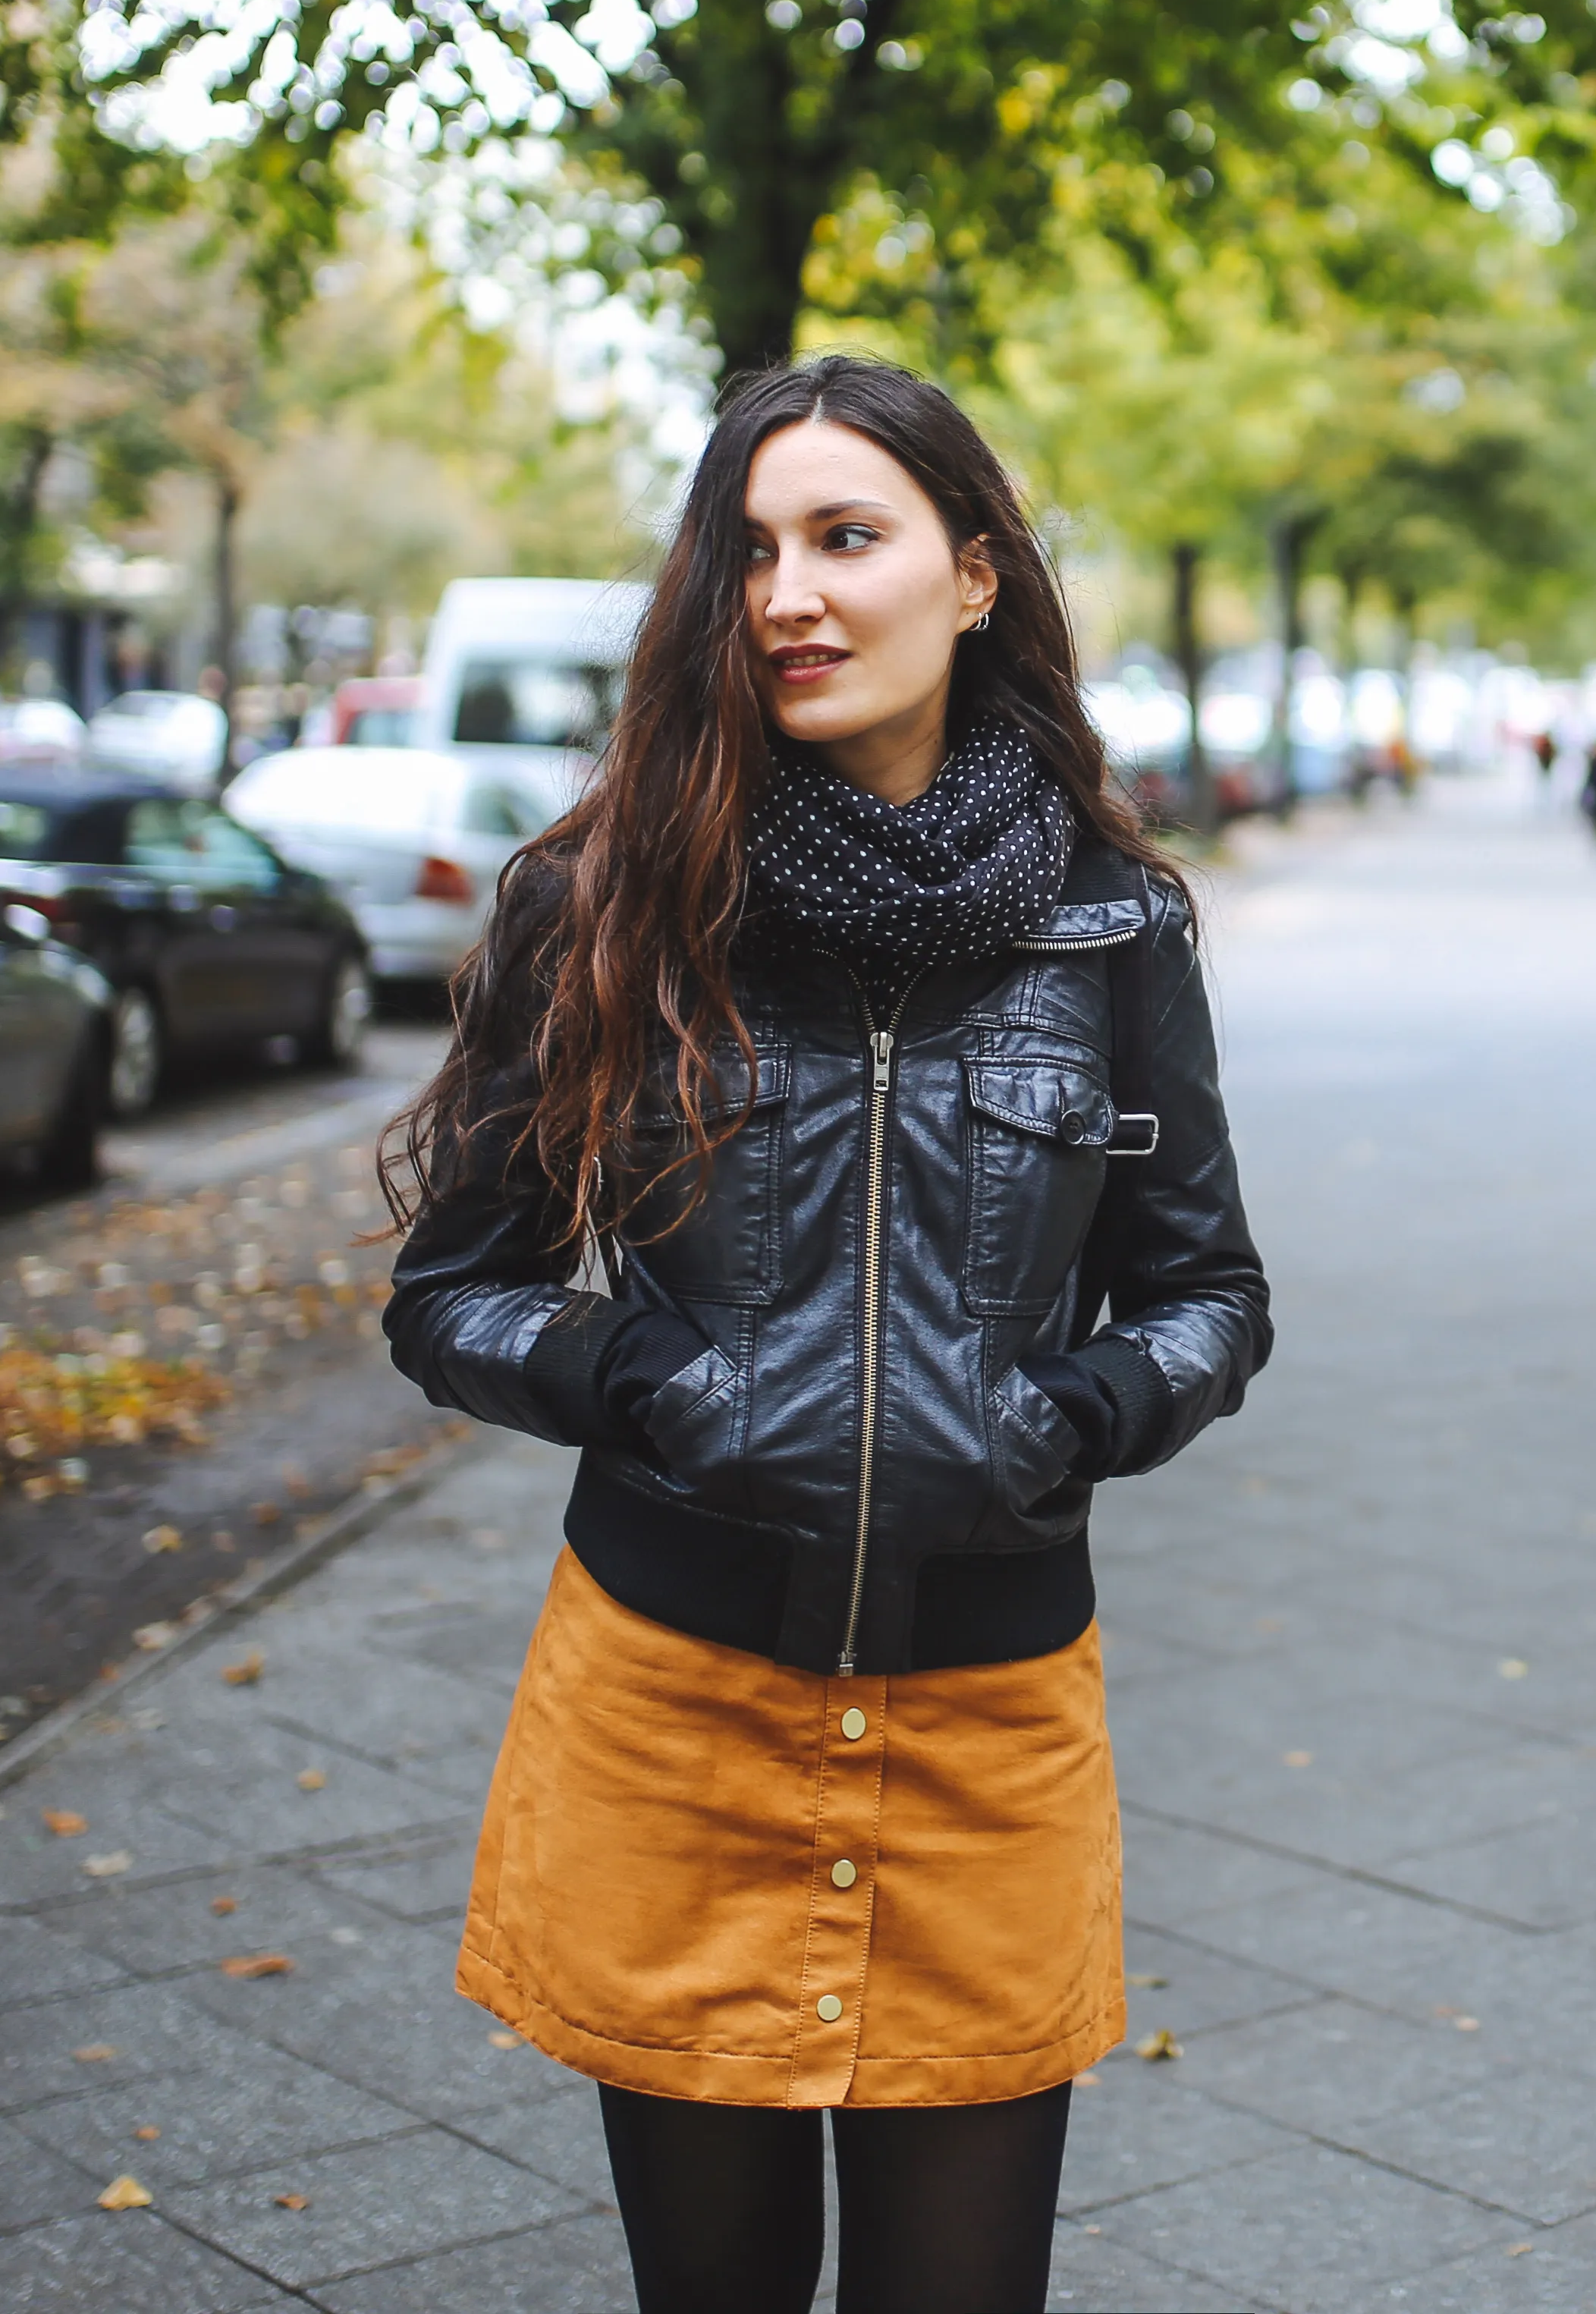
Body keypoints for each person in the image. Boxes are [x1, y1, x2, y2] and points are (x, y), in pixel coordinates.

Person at [382, 354, 1271, 2314]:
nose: (785, 594)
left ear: (971, 577)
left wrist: (1072, 1412)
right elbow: (449, 1297)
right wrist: (654, 1384)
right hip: (673, 1710)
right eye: (751, 550)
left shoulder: (1113, 934)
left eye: (844, 539)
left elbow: (1215, 1299)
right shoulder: (610, 905)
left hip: (990, 1738)